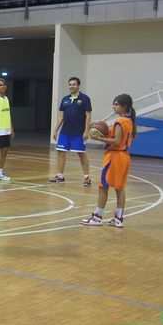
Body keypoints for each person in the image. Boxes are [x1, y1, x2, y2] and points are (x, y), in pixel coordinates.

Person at [80, 94, 136, 228]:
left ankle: (97, 217)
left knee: (103, 186)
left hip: (115, 156)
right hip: (125, 157)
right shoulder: (130, 121)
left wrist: (99, 138)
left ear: (125, 107)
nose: (114, 107)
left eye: (116, 104)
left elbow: (116, 141)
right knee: (119, 189)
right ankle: (118, 219)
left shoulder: (120, 122)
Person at [49, 77, 92, 186]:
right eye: (70, 84)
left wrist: (86, 131)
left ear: (78, 85)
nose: (71, 86)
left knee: (81, 154)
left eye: (73, 84)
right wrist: (55, 130)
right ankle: (60, 175)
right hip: (65, 132)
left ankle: (87, 177)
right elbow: (61, 117)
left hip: (78, 132)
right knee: (60, 152)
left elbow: (88, 116)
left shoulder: (85, 99)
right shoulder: (65, 99)